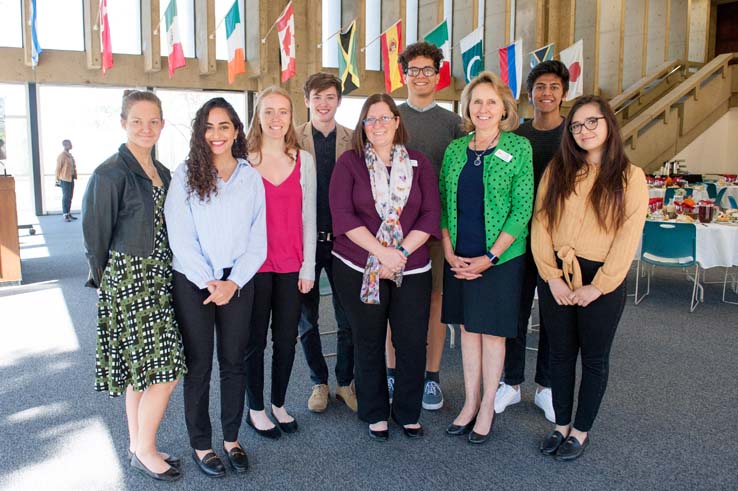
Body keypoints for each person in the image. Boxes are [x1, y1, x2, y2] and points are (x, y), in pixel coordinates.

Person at [532, 95, 647, 461]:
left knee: (594, 358)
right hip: (557, 275)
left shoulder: (631, 177)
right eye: (577, 125)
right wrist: (551, 277)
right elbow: (541, 222)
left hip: (602, 278)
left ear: (609, 124)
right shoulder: (559, 170)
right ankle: (561, 424)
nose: (584, 131)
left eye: (592, 122)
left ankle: (580, 432)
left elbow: (628, 236)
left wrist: (599, 286)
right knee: (561, 355)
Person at [82, 90, 186, 482]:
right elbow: (94, 238)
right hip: (130, 281)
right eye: (137, 121)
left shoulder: (163, 171)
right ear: (123, 122)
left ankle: (139, 445)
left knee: (141, 371)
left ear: (161, 124)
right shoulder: (110, 173)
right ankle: (144, 449)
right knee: (166, 368)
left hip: (160, 278)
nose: (146, 128)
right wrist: (110, 285)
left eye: (153, 121)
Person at [330, 94, 441, 441]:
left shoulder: (419, 162)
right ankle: (375, 412)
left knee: (410, 342)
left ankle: (407, 412)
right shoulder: (348, 164)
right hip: (358, 265)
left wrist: (400, 253)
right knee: (368, 340)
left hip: (412, 267)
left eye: (384, 118)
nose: (378, 125)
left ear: (396, 121)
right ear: (363, 127)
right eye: (370, 119)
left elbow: (430, 214)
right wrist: (382, 253)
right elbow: (343, 216)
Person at [165, 98, 266, 477]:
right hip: (194, 282)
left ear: (236, 130)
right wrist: (211, 282)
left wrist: (233, 282)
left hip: (238, 280)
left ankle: (231, 438)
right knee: (200, 363)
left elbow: (259, 238)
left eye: (224, 126)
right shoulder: (185, 174)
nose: (216, 134)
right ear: (199, 132)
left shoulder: (249, 176)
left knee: (233, 360)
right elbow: (180, 234)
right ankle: (201, 443)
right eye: (208, 127)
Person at [440, 72, 533, 445]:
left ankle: (488, 406)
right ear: (467, 107)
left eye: (491, 102)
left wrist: (491, 257)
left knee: (492, 334)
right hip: (460, 256)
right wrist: (448, 249)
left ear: (504, 108)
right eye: (476, 101)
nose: (483, 108)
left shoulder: (519, 148)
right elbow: (445, 205)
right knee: (467, 330)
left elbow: (521, 208)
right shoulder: (454, 150)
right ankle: (470, 400)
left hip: (502, 259)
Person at [386, 42, 465, 411]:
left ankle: (431, 376)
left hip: (434, 230)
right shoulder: (390, 116)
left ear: (438, 75)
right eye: (413, 70)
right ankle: (391, 370)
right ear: (404, 75)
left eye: (427, 70)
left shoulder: (454, 124)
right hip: (390, 228)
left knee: (434, 302)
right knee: (389, 301)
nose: (420, 76)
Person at [495, 60, 570, 422]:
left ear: (564, 93)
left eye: (554, 87)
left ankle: (546, 387)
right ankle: (510, 382)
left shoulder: (573, 135)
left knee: (554, 315)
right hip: (518, 237)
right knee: (514, 310)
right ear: (529, 94)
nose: (547, 93)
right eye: (540, 87)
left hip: (558, 238)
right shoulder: (518, 137)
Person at [243, 86, 317, 439]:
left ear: (292, 117)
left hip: (291, 265)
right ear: (258, 115)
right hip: (252, 268)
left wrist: (308, 267)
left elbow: (310, 217)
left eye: (283, 112)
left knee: (286, 339)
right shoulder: (243, 159)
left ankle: (278, 403)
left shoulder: (304, 160)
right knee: (254, 341)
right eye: (268, 111)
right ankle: (255, 408)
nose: (275, 119)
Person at [296, 72, 357, 413]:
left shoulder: (352, 139)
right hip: (305, 241)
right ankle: (318, 382)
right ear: (307, 101)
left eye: (330, 97)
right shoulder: (293, 138)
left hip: (344, 241)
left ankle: (345, 382)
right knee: (307, 319)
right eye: (317, 97)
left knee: (348, 317)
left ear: (338, 101)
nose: (323, 103)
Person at [56, 139, 77, 221]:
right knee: (66, 196)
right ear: (65, 145)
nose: (71, 145)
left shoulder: (70, 155)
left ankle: (68, 212)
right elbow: (58, 168)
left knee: (70, 196)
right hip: (64, 179)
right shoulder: (62, 156)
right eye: (69, 144)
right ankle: (65, 214)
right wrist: (57, 180)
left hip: (70, 178)